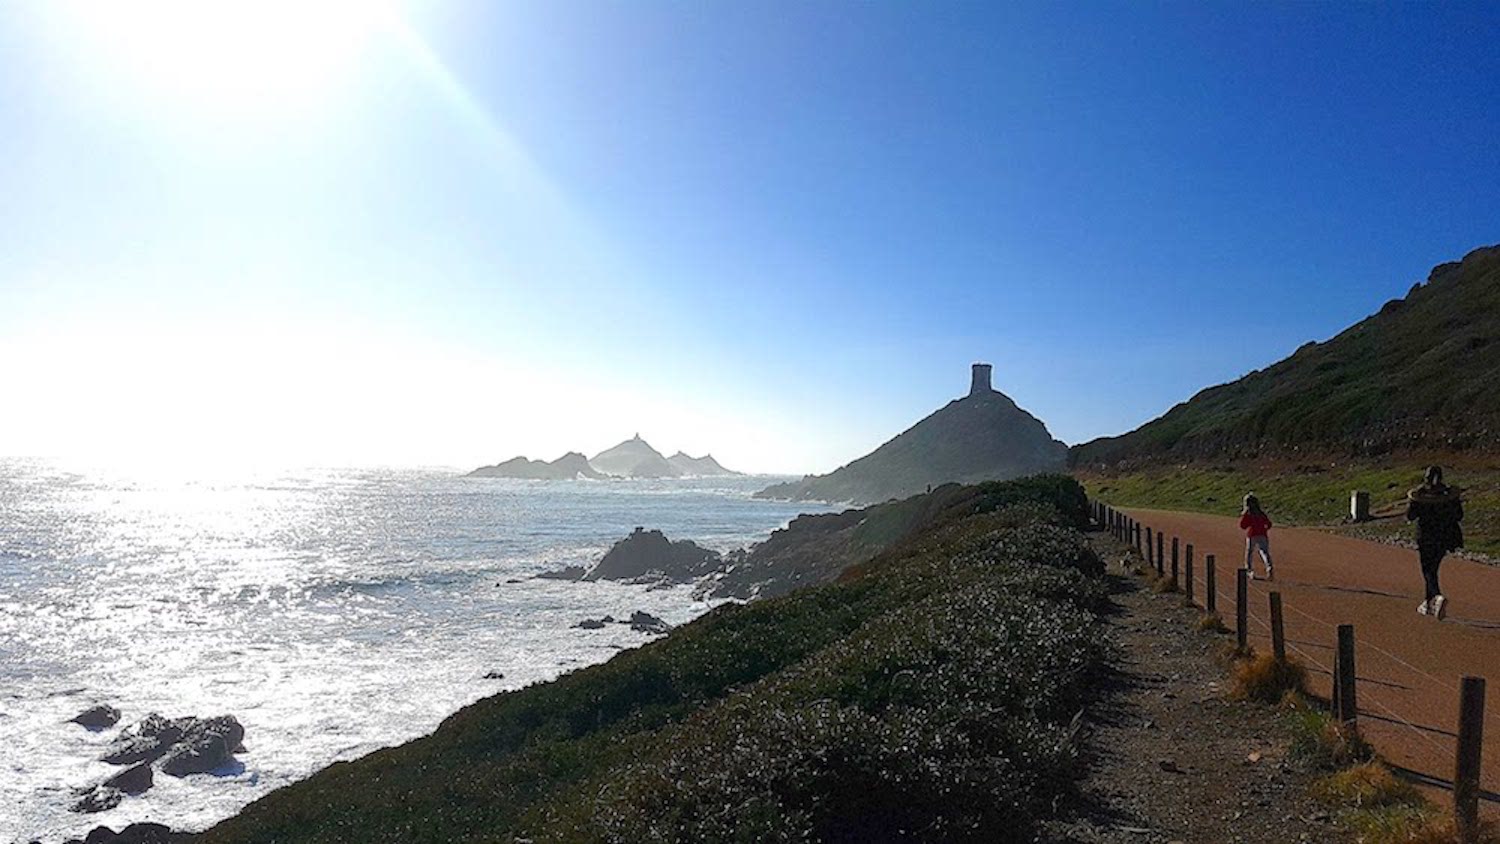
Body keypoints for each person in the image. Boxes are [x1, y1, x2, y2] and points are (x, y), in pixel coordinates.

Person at [1406, 466, 1464, 620]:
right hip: (1445, 537)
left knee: (1428, 570)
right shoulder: (1449, 495)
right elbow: (1459, 515)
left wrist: (1412, 502)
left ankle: (1436, 597)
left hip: (1426, 537)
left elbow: (1410, 516)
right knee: (1433, 568)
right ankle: (1428, 603)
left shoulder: (1420, 496)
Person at [1240, 493, 1273, 580]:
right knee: (1264, 552)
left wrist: (1244, 516)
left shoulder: (1248, 513)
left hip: (1252, 534)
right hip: (1262, 534)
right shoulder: (1261, 513)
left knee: (1249, 552)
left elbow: (1243, 526)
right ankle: (1269, 567)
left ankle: (1249, 570)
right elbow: (1269, 524)